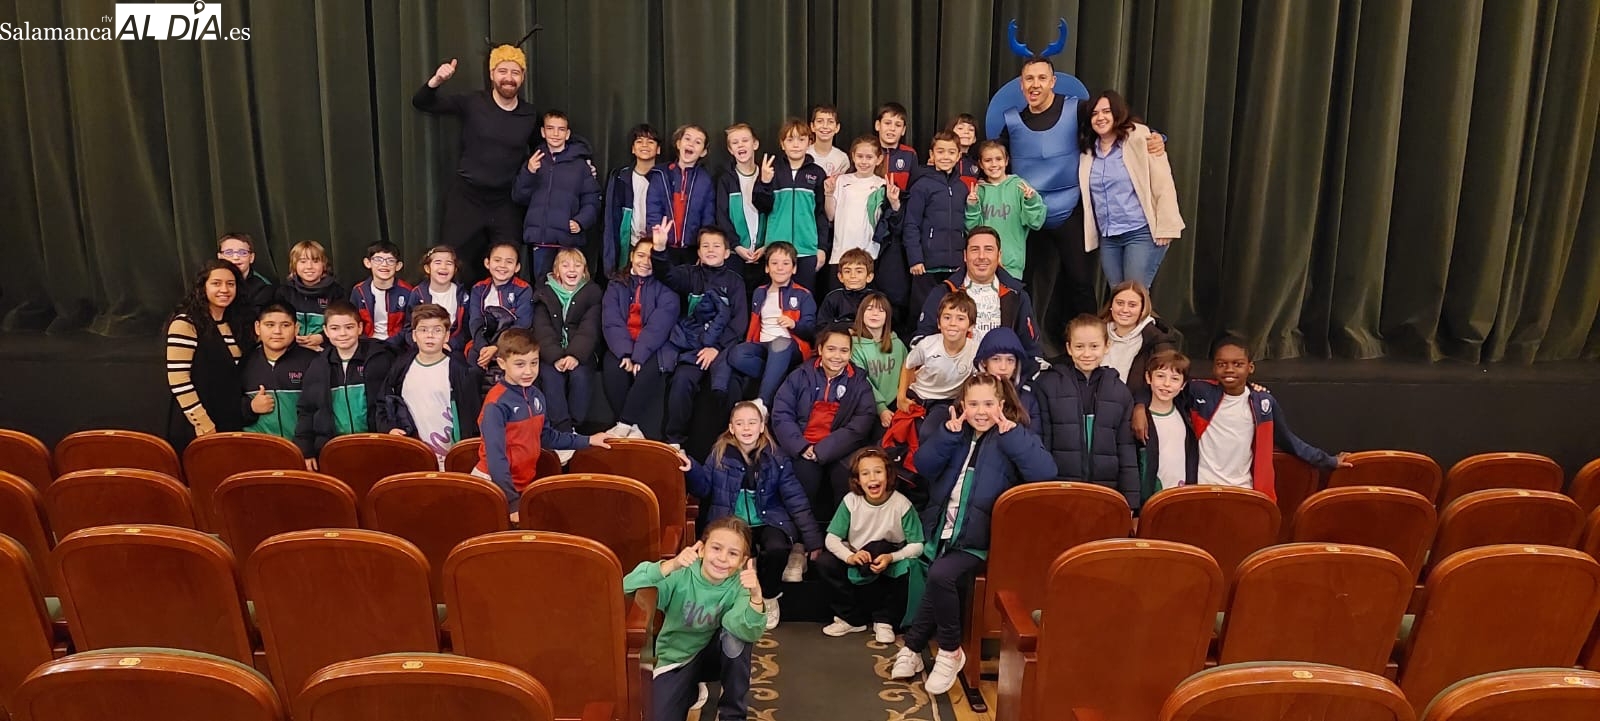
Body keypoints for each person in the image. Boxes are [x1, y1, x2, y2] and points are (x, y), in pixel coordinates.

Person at [890, 373, 1055, 694]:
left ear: (1002, 405)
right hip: (945, 531)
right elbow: (923, 465)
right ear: (962, 406)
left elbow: (1046, 472)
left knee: (940, 575)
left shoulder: (1014, 435)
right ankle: (913, 646)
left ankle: (951, 651)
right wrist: (946, 436)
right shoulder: (954, 432)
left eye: (989, 404)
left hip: (980, 539)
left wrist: (1013, 436)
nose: (981, 411)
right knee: (935, 579)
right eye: (974, 403)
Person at [999, 56, 1165, 336]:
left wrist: (1155, 136)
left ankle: (1092, 340)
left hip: (1069, 210)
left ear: (1053, 81)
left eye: (1042, 78)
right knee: (1018, 280)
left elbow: (1114, 122)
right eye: (1029, 79)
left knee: (1080, 281)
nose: (1035, 84)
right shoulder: (1012, 121)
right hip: (1028, 214)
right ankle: (1014, 342)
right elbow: (994, 158)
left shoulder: (1076, 110)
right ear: (1021, 84)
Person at [1132, 336, 1352, 500]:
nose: (1229, 369)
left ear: (1250, 367)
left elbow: (1288, 440)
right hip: (1201, 488)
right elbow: (1162, 388)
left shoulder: (1263, 403)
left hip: (1245, 492)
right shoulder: (1200, 392)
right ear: (1214, 368)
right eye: (1222, 364)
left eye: (1237, 364)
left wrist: (1329, 460)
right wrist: (1139, 406)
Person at [685, 401, 824, 629]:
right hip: (733, 522)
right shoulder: (720, 453)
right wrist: (691, 467)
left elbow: (795, 498)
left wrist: (813, 540)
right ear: (731, 428)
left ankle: (769, 596)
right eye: (740, 423)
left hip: (768, 518)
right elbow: (703, 488)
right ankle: (738, 601)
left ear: (762, 427)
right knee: (735, 558)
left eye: (752, 422)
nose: (746, 428)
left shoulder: (775, 456)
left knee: (777, 549)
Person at [412, 48, 537, 284]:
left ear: (523, 77)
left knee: (507, 259)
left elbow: (549, 145)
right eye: (502, 71)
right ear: (491, 74)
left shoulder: (529, 114)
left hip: (505, 201)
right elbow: (422, 102)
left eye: (515, 72)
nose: (508, 77)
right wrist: (437, 80)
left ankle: (506, 315)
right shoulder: (472, 103)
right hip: (467, 197)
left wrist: (583, 163)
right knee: (453, 260)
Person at [623, 517, 767, 721]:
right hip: (677, 658)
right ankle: (691, 691)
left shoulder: (740, 584)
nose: (723, 558)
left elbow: (747, 630)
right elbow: (626, 586)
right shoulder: (682, 574)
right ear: (701, 549)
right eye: (716, 548)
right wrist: (671, 565)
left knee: (736, 638)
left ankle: (733, 715)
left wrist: (755, 596)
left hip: (714, 655)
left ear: (743, 561)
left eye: (733, 554)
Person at [474, 328, 611, 515]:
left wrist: (588, 440)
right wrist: (512, 502)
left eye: (534, 363)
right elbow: (496, 457)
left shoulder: (536, 395)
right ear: (502, 363)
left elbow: (546, 437)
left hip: (522, 483)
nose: (528, 371)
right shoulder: (496, 404)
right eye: (520, 364)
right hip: (494, 485)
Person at [1079, 90, 1184, 289]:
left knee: (1133, 295)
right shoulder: (1088, 150)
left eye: (1106, 111)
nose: (1100, 117)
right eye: (1094, 113)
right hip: (1109, 237)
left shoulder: (1139, 137)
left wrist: (1166, 224)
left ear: (1117, 113)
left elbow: (1163, 182)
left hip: (1140, 231)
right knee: (1119, 296)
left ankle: (1148, 322)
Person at [771, 327, 877, 525]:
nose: (837, 356)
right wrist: (802, 447)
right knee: (801, 480)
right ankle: (803, 539)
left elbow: (864, 419)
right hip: (803, 446)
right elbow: (781, 413)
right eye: (831, 349)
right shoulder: (800, 375)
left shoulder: (859, 380)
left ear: (851, 353)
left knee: (846, 475)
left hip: (839, 448)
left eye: (844, 351)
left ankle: (841, 534)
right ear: (820, 350)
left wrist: (824, 449)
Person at [1033, 315, 1140, 510]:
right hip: (1060, 490)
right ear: (1069, 348)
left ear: (1107, 346)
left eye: (1094, 346)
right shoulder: (1048, 385)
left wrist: (1131, 502)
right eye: (1079, 346)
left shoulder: (1119, 391)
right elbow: (1043, 441)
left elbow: (1126, 449)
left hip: (1106, 493)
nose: (1087, 353)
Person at [819, 448, 923, 642]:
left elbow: (917, 545)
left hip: (887, 558)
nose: (872, 478)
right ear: (857, 479)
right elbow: (831, 539)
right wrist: (849, 556)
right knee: (826, 562)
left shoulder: (901, 504)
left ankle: (885, 620)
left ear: (888, 475)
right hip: (858, 557)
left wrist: (892, 557)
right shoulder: (851, 501)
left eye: (878, 471)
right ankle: (851, 619)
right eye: (865, 473)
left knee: (909, 566)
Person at [660, 227, 748, 448]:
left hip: (723, 348)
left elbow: (739, 323)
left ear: (727, 253)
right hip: (693, 347)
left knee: (728, 387)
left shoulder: (735, 281)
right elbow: (666, 274)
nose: (711, 250)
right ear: (698, 252)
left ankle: (729, 443)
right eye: (705, 246)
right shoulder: (689, 275)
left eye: (717, 246)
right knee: (681, 381)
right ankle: (674, 441)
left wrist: (716, 348)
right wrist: (660, 248)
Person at [914, 227, 1044, 367]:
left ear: (999, 255)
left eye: (988, 249)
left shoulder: (1018, 295)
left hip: (1001, 378)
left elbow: (1032, 351)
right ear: (965, 256)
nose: (981, 256)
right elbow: (920, 342)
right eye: (975, 249)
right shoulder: (943, 293)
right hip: (952, 377)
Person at [378, 303, 482, 465]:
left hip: (449, 459)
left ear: (447, 336)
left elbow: (473, 419)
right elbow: (384, 403)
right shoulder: (401, 367)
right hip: (411, 455)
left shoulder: (461, 372)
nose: (430, 335)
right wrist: (389, 428)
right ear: (414, 335)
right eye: (423, 330)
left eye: (437, 330)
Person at [297, 301, 394, 469]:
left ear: (360, 328)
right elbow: (307, 410)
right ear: (326, 331)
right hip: (333, 449)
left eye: (349, 327)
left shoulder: (381, 358)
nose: (342, 333)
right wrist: (306, 450)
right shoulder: (318, 366)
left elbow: (394, 401)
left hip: (377, 446)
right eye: (335, 328)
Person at [720, 242, 814, 415]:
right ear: (767, 268)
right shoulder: (759, 292)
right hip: (763, 346)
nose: (780, 268)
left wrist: (794, 325)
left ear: (793, 269)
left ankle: (763, 402)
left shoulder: (803, 295)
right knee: (736, 354)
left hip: (791, 346)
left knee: (779, 343)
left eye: (786, 264)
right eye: (774, 263)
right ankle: (776, 375)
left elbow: (811, 331)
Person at [165, 260, 251, 447]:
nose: (224, 289)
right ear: (202, 287)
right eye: (216, 283)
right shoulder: (185, 324)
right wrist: (203, 424)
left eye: (230, 284)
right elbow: (179, 379)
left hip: (229, 420)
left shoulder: (236, 323)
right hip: (198, 426)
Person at [600, 235, 679, 439]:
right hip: (622, 344)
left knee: (649, 370)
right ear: (632, 256)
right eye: (641, 255)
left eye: (651, 258)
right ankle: (632, 429)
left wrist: (638, 356)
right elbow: (612, 321)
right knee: (612, 367)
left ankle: (624, 424)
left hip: (656, 346)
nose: (645, 262)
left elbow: (659, 326)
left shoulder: (668, 287)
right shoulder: (616, 284)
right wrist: (625, 353)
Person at [511, 110, 603, 283]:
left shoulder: (580, 165)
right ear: (542, 132)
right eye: (550, 128)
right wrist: (529, 172)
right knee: (542, 289)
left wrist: (581, 221)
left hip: (567, 242)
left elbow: (592, 198)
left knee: (569, 288)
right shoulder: (533, 160)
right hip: (541, 242)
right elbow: (519, 197)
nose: (555, 134)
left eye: (561, 129)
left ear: (567, 134)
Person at [530, 248, 602, 441]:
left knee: (580, 377)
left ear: (584, 270)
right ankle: (562, 430)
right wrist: (555, 357)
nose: (572, 270)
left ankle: (574, 426)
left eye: (577, 265)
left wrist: (574, 355)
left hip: (581, 353)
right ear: (556, 270)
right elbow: (542, 329)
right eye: (566, 265)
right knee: (549, 376)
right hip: (550, 354)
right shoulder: (543, 293)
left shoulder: (592, 293)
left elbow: (589, 328)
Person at [903, 131, 971, 321]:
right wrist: (915, 259)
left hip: (955, 266)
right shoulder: (922, 185)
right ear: (932, 155)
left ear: (958, 156)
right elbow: (911, 224)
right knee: (925, 313)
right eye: (940, 152)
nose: (945, 157)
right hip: (927, 266)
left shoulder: (962, 187)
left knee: (954, 314)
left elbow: (967, 225)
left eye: (951, 152)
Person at [898, 291, 979, 441]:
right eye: (947, 318)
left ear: (971, 326)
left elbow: (979, 381)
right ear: (938, 323)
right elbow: (908, 365)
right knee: (900, 436)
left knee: (927, 433)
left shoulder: (975, 351)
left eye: (960, 318)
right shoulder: (927, 345)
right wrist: (901, 396)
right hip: (918, 394)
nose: (952, 323)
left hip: (946, 401)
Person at [764, 119, 831, 293]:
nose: (796, 145)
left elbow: (821, 214)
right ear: (782, 144)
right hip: (777, 250)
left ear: (809, 142)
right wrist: (764, 182)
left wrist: (822, 248)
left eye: (801, 139)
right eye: (790, 139)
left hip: (807, 249)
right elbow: (761, 206)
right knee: (776, 300)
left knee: (804, 299)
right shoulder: (772, 170)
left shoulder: (817, 173)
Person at [239, 303, 318, 446]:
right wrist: (250, 407)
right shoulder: (244, 362)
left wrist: (307, 447)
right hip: (257, 450)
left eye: (285, 325)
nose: (277, 331)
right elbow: (229, 407)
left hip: (301, 451)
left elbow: (320, 410)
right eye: (269, 325)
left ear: (296, 329)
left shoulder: (313, 362)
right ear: (257, 327)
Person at [964, 141, 1044, 280]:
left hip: (1011, 266)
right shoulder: (978, 190)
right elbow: (972, 229)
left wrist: (1031, 201)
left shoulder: (1019, 186)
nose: (994, 164)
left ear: (1006, 161)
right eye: (988, 160)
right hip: (983, 265)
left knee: (1009, 301)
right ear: (981, 164)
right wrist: (972, 206)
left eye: (998, 159)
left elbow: (1036, 222)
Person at [824, 136, 899, 276]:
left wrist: (894, 202)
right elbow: (830, 215)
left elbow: (893, 222)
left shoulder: (882, 185)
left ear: (879, 159)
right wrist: (828, 194)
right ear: (853, 156)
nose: (864, 161)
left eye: (869, 157)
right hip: (840, 253)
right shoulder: (841, 181)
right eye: (860, 156)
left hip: (870, 254)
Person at [647, 124, 717, 271]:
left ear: (703, 152)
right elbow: (653, 210)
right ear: (678, 144)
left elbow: (708, 217)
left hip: (691, 250)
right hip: (663, 246)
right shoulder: (660, 174)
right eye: (687, 139)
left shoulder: (705, 179)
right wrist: (655, 242)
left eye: (698, 142)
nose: (691, 144)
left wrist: (703, 248)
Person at [714, 123, 774, 289]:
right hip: (736, 253)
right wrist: (737, 246)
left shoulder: (768, 175)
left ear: (755, 144)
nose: (740, 145)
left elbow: (773, 212)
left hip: (765, 254)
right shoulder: (726, 180)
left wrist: (766, 246)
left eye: (745, 140)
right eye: (734, 142)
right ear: (730, 150)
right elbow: (722, 217)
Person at [602, 124, 666, 275]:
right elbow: (610, 219)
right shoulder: (619, 177)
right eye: (639, 141)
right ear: (632, 148)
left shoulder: (666, 178)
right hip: (629, 244)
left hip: (657, 244)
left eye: (650, 142)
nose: (644, 145)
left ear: (658, 149)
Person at [873, 102, 917, 319]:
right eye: (887, 123)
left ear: (904, 130)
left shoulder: (909, 156)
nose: (892, 129)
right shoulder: (868, 152)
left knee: (895, 287)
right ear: (877, 125)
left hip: (897, 230)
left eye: (897, 124)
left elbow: (914, 192)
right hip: (868, 230)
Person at [465, 241, 535, 377]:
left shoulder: (523, 289)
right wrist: (484, 348)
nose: (502, 266)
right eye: (497, 260)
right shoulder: (478, 289)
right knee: (472, 369)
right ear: (487, 263)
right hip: (483, 343)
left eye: (509, 262)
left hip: (513, 343)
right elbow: (475, 321)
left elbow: (522, 324)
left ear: (517, 267)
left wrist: (497, 347)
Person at [1138, 349, 1198, 501]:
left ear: (1183, 384)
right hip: (1151, 498)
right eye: (1160, 376)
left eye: (1174, 379)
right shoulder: (1139, 420)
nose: (1166, 384)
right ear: (1148, 377)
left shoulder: (1185, 413)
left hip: (1181, 497)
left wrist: (1252, 388)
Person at [1101, 280, 1177, 396]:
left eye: (1132, 305)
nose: (1125, 310)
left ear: (1143, 309)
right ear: (1111, 305)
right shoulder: (1095, 333)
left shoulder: (1157, 342)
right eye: (1120, 303)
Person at [850, 292, 907, 431]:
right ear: (861, 314)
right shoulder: (854, 346)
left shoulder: (897, 344)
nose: (875, 314)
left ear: (887, 316)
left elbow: (907, 373)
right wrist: (881, 408)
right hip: (868, 406)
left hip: (897, 403)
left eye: (881, 310)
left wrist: (902, 398)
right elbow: (863, 381)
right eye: (869, 309)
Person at [275, 240, 345, 352]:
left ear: (324, 265)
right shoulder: (285, 292)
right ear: (294, 265)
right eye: (302, 261)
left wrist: (322, 337)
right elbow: (277, 322)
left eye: (315, 261)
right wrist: (291, 336)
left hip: (325, 349)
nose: (309, 266)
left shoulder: (336, 292)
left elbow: (342, 323)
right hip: (291, 348)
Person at [972, 326, 1043, 437]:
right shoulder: (970, 393)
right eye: (996, 359)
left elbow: (1036, 443)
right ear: (984, 362)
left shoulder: (1027, 400)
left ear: (1016, 365)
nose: (1003, 367)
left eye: (1010, 360)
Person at [406, 245, 471, 356]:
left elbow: (466, 329)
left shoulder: (462, 295)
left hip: (452, 347)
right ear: (427, 268)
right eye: (438, 262)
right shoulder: (418, 294)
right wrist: (421, 345)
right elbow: (408, 327)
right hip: (422, 348)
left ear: (455, 269)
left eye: (449, 263)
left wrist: (450, 344)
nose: (444, 267)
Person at [349, 241, 412, 348]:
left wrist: (390, 343)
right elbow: (353, 322)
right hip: (366, 345)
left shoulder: (408, 291)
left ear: (398, 266)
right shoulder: (359, 291)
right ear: (367, 263)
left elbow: (410, 326)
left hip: (397, 346)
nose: (384, 264)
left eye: (390, 261)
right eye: (378, 260)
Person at [816, 248, 876, 332]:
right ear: (840, 277)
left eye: (859, 271)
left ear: (869, 277)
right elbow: (821, 327)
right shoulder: (832, 298)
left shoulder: (876, 299)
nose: (853, 276)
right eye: (847, 271)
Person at [216, 232, 275, 317]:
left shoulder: (263, 288)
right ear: (220, 257)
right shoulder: (209, 282)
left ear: (251, 258)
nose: (235, 257)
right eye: (229, 252)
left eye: (242, 253)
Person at [807, 104, 851, 177]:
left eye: (830, 122)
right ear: (812, 126)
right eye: (820, 121)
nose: (825, 126)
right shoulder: (804, 154)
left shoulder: (842, 158)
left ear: (837, 127)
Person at [946, 113, 981, 190]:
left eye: (971, 129)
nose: (966, 132)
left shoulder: (976, 164)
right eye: (960, 128)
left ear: (975, 138)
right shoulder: (942, 160)